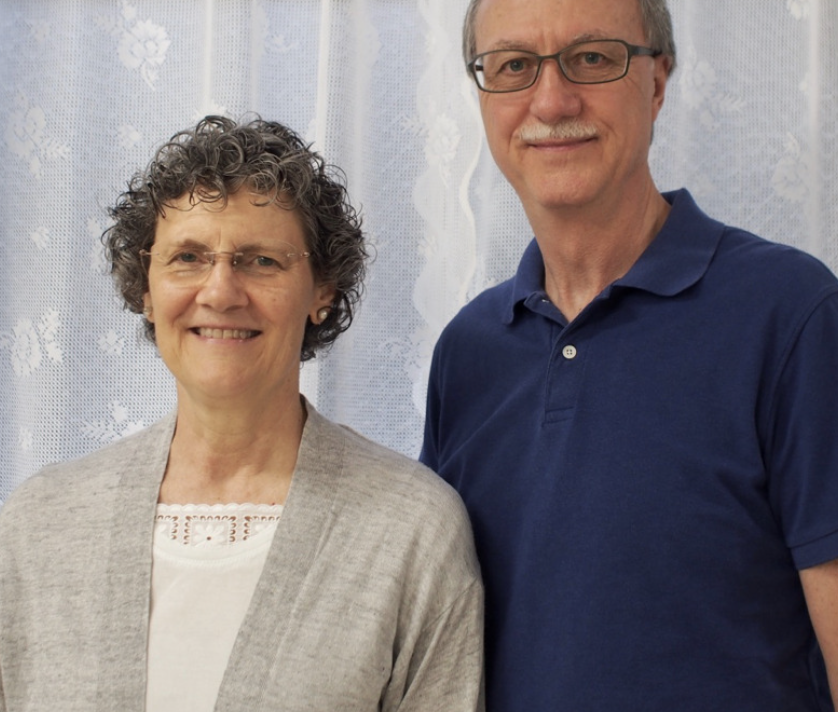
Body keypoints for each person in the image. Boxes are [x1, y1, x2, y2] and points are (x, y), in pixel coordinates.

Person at [420, 0, 838, 712]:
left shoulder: (791, 315)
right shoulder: (468, 353)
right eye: (514, 66)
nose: (551, 101)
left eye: (593, 58)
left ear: (657, 82)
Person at [0, 116, 484, 712]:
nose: (221, 291)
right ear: (146, 291)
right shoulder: (37, 528)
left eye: (261, 261)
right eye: (188, 257)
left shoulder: (411, 531)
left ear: (322, 291)